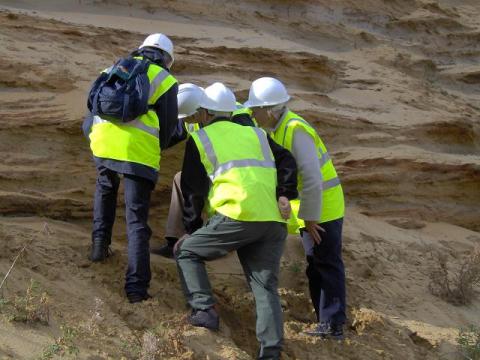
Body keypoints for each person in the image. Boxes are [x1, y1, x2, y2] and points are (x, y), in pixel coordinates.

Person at [175, 82, 298, 359]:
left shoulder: (201, 138)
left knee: (186, 252)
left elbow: (193, 191)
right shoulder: (257, 134)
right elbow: (288, 159)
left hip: (237, 216)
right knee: (265, 287)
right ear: (231, 112)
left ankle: (204, 310)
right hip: (272, 220)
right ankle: (271, 352)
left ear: (204, 112)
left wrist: (192, 231)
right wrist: (284, 193)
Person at [244, 77, 346, 339]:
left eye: (255, 110)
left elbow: (312, 177)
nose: (253, 116)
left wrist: (311, 219)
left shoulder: (295, 129)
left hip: (325, 209)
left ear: (269, 110)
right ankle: (326, 321)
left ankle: (333, 326)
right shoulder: (278, 128)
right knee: (315, 264)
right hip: (315, 208)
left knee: (326, 264)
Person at [84, 33, 178, 303]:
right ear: (167, 59)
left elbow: (91, 106)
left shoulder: (112, 67)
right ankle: (136, 289)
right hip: (137, 153)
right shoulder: (166, 80)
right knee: (136, 219)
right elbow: (169, 129)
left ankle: (98, 249)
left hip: (102, 143)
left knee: (105, 190)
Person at [151, 84, 256, 258]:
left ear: (201, 111)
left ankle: (210, 238)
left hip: (238, 174)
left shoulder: (237, 116)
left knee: (197, 185)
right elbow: (169, 137)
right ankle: (175, 240)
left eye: (188, 117)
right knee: (181, 178)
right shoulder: (193, 116)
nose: (185, 121)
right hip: (217, 167)